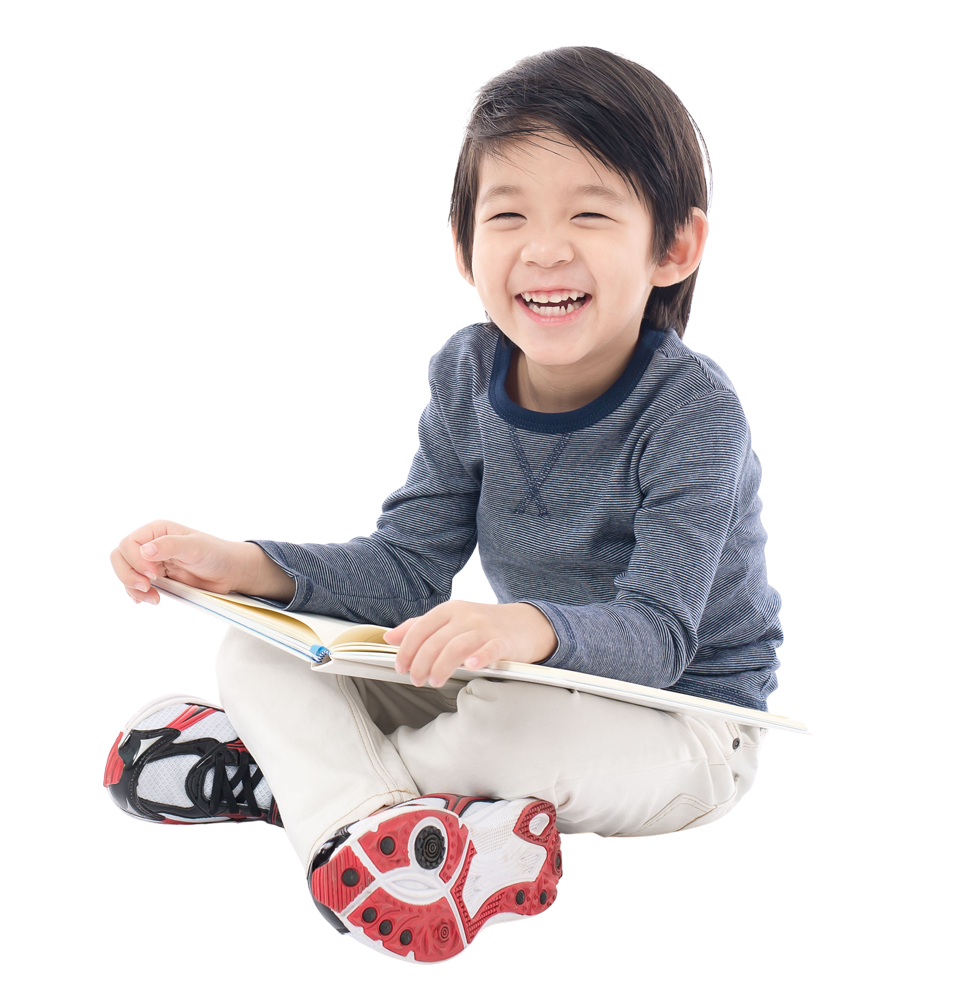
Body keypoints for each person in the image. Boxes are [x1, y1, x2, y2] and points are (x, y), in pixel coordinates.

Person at [103, 44, 783, 964]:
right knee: (252, 649)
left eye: (589, 212)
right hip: (518, 670)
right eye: (508, 216)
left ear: (673, 247)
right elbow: (404, 568)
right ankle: (396, 838)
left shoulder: (694, 408)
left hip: (678, 723)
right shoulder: (467, 372)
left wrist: (526, 628)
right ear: (463, 248)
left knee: (512, 731)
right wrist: (252, 567)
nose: (544, 248)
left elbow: (660, 632)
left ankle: (289, 785)